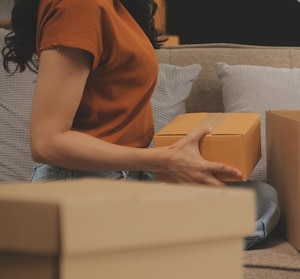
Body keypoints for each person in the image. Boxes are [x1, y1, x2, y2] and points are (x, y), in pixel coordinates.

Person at [2, 0, 241, 184]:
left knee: (259, 199)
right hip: (85, 181)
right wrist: (166, 159)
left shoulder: (117, 7)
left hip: (130, 176)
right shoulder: (78, 6)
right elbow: (46, 142)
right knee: (245, 208)